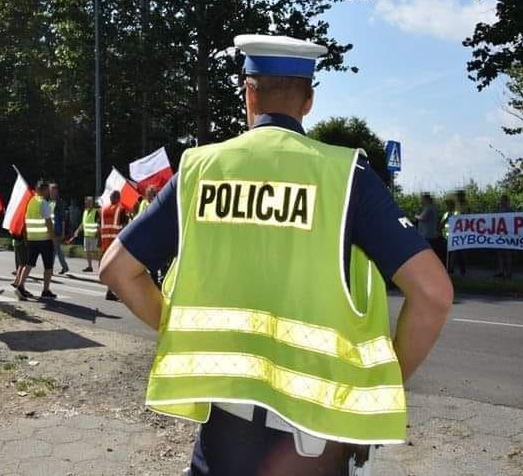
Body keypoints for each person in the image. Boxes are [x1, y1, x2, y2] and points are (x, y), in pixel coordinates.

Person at [100, 34, 454, 475]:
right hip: (315, 440)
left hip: (225, 434)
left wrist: (183, 332)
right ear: (308, 100)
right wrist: (384, 384)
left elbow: (117, 269)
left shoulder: (198, 169)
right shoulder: (345, 176)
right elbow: (434, 294)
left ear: (248, 91)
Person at [13, 180, 56, 300]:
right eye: (47, 189)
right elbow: (48, 222)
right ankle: (46, 290)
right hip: (45, 239)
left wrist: (27, 236)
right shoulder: (44, 203)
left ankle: (20, 286)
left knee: (29, 264)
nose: (48, 192)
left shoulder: (31, 201)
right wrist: (53, 238)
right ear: (42, 190)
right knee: (48, 266)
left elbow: (26, 221)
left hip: (32, 239)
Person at [101, 190, 128, 300]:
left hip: (105, 243)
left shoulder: (102, 209)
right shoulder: (120, 210)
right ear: (118, 198)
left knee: (110, 268)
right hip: (116, 243)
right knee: (117, 268)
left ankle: (110, 290)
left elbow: (100, 225)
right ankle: (113, 291)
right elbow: (125, 227)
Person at [71, 196, 99, 273]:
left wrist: (97, 232)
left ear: (92, 203)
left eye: (90, 202)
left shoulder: (95, 211)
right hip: (86, 235)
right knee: (87, 251)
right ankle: (90, 266)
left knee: (93, 251)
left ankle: (100, 265)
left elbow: (99, 223)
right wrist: (77, 230)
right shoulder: (85, 212)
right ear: (85, 203)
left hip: (93, 235)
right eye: (87, 202)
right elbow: (83, 223)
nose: (89, 203)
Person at [49, 182, 70, 274]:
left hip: (57, 230)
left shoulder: (59, 203)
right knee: (56, 250)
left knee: (54, 249)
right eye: (51, 191)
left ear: (56, 192)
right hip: (51, 230)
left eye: (53, 191)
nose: (52, 193)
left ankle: (50, 269)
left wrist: (62, 232)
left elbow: (63, 219)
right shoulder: (50, 202)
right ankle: (64, 267)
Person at [496, 195, 514, 279]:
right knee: (500, 254)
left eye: (503, 200)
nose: (501, 202)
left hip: (508, 236)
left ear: (506, 201)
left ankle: (508, 272)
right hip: (500, 235)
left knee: (507, 254)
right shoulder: (499, 210)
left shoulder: (510, 211)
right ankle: (501, 271)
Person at [440, 199, 458, 271]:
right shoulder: (445, 214)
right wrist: (446, 218)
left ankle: (451, 268)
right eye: (447, 206)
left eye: (448, 205)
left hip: (454, 236)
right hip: (445, 237)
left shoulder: (457, 213)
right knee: (446, 253)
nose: (447, 207)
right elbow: (441, 225)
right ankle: (446, 267)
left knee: (454, 253)